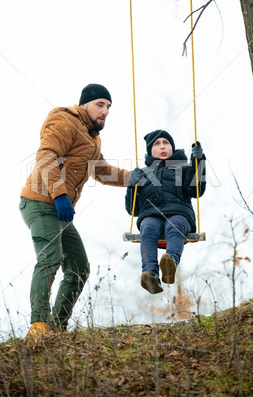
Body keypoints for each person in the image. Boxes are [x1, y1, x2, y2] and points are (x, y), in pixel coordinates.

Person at [20, 83, 131, 337]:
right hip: (40, 202)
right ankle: (39, 325)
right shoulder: (65, 120)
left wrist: (135, 177)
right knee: (50, 257)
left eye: (109, 107)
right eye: (100, 105)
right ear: (84, 105)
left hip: (60, 210)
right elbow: (46, 155)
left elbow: (102, 170)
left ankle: (57, 329)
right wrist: (60, 196)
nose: (105, 111)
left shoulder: (92, 138)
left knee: (79, 268)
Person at [125, 130, 206, 294]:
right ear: (150, 151)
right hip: (150, 215)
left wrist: (199, 162)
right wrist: (132, 186)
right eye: (157, 144)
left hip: (178, 212)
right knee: (147, 228)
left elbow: (196, 189)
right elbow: (133, 209)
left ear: (172, 147)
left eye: (166, 143)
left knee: (174, 225)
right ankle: (150, 273)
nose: (162, 146)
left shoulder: (183, 168)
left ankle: (170, 263)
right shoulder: (143, 173)